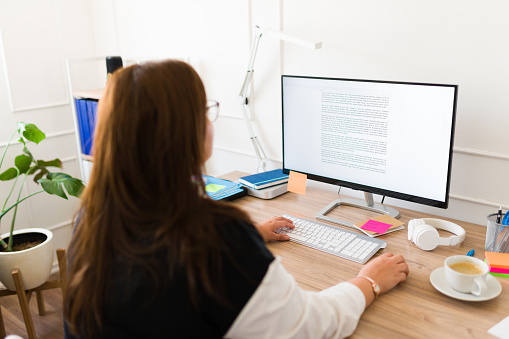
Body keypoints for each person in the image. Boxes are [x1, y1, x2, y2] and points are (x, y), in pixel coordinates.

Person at [64, 59, 409, 339]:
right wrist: (370, 280)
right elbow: (309, 325)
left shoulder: (92, 218)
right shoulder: (217, 242)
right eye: (203, 109)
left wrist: (250, 238)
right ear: (186, 131)